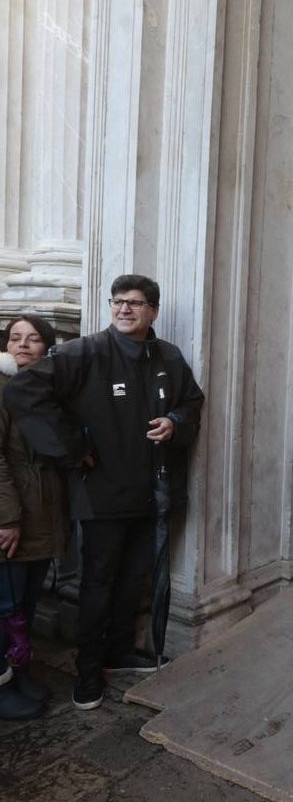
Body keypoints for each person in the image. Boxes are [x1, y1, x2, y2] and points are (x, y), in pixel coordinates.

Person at [3, 275, 204, 711]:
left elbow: (192, 402)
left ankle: (119, 651)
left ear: (153, 310)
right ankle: (88, 673)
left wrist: (176, 422)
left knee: (134, 580)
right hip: (102, 498)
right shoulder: (86, 352)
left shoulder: (168, 355)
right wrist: (72, 448)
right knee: (98, 584)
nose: (125, 309)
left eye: (135, 303)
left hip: (153, 494)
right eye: (118, 302)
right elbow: (24, 391)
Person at [0, 315, 69, 720]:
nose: (23, 344)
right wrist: (6, 518)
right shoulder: (3, 389)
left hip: (43, 512)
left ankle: (20, 672)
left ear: (47, 346)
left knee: (24, 603)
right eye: (14, 338)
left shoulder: (47, 390)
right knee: (5, 604)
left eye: (33, 339)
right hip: (12, 513)